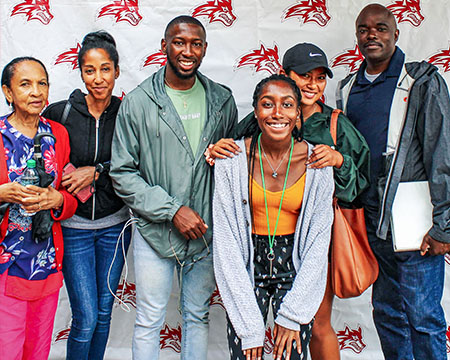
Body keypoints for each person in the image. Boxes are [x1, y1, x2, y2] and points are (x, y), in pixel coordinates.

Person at [208, 43, 370, 360]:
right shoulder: (258, 124)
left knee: (318, 326)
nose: (312, 84)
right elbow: (232, 156)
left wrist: (338, 161)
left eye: (320, 77)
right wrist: (216, 151)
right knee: (250, 342)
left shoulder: (335, 124)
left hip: (310, 244)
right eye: (304, 76)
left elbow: (359, 183)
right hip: (254, 246)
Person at [110, 15, 238, 359]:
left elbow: (231, 164)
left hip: (206, 234)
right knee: (149, 320)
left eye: (195, 44)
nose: (187, 51)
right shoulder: (138, 102)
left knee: (197, 317)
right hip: (154, 232)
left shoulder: (221, 100)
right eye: (179, 42)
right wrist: (172, 210)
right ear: (163, 46)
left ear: (205, 49)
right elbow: (123, 173)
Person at [336, 4, 450, 359]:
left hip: (415, 221)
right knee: (386, 313)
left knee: (423, 316)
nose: (372, 35)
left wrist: (445, 225)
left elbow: (442, 153)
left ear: (396, 34)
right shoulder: (346, 87)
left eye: (381, 28)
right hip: (370, 221)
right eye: (364, 30)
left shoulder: (421, 81)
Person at [213, 74, 334, 360]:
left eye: (288, 105)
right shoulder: (231, 160)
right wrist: (249, 326)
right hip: (246, 267)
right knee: (246, 354)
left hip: (294, 266)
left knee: (289, 355)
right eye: (268, 104)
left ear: (297, 113)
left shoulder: (318, 163)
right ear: (255, 112)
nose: (277, 113)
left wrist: (293, 316)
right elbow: (227, 245)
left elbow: (318, 244)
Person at [42, 31, 131, 360]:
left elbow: (135, 163)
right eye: (90, 70)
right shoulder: (60, 113)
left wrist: (96, 170)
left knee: (105, 314)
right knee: (86, 318)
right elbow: (38, 154)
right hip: (74, 228)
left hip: (115, 228)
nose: (98, 78)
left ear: (117, 71)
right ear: (80, 72)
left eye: (105, 69)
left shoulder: (127, 113)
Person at [0, 57, 77, 360]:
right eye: (25, 84)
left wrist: (57, 200)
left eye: (41, 83)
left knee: (38, 351)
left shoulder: (57, 134)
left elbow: (74, 194)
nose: (36, 91)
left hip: (46, 264)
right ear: (8, 92)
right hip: (6, 266)